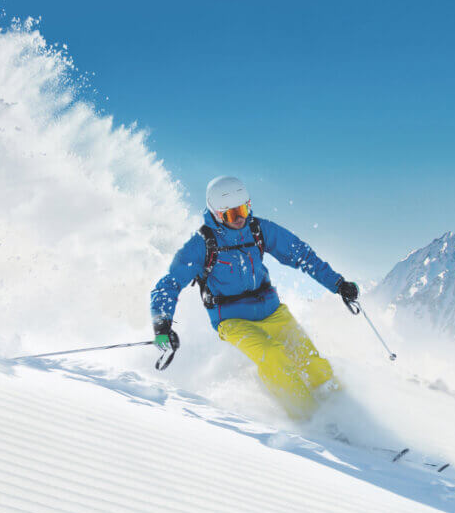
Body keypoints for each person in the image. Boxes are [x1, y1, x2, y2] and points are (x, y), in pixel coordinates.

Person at [150, 176, 359, 420]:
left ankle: (345, 415)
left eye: (243, 210)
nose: (239, 219)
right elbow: (169, 283)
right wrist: (162, 324)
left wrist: (338, 284)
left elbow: (301, 254)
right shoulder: (201, 245)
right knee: (273, 355)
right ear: (216, 214)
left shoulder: (258, 230)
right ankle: (313, 420)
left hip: (272, 311)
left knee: (311, 361)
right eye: (230, 215)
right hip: (232, 320)